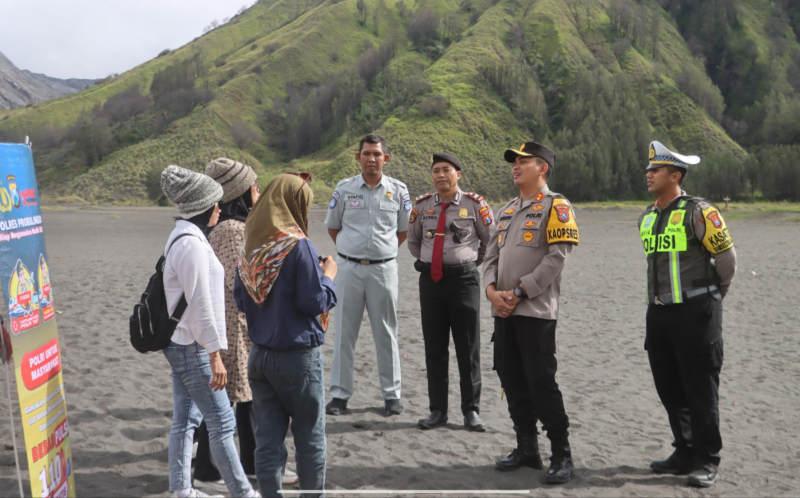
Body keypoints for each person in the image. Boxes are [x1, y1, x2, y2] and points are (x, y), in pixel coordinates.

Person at [195, 158, 299, 486]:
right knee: (230, 398)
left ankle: (234, 464)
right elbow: (244, 279)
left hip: (232, 324)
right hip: (231, 326)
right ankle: (211, 468)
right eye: (253, 186)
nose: (258, 190)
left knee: (239, 398)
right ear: (239, 193)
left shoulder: (228, 228)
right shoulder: (232, 230)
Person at [639, 141, 736, 488]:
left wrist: (713, 298)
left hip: (697, 312)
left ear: (675, 175)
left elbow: (726, 259)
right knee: (670, 387)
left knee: (700, 390)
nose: (648, 174)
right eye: (648, 169)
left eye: (656, 170)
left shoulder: (700, 211)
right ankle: (684, 450)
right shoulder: (647, 216)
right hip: (660, 313)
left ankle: (707, 459)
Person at [160, 165, 259, 498]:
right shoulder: (191, 245)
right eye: (214, 203)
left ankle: (181, 489)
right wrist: (216, 356)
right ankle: (243, 492)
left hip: (184, 342)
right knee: (222, 422)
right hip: (194, 347)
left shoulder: (187, 237)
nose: (220, 207)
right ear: (202, 206)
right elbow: (201, 303)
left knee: (186, 420)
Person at [235, 173, 337, 498]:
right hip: (297, 358)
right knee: (309, 439)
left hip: (259, 356)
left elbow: (241, 299)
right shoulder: (298, 246)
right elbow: (314, 302)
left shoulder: (251, 246)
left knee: (267, 441)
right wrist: (329, 277)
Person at [483, 141, 578, 484]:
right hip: (504, 312)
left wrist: (520, 291)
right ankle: (527, 448)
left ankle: (561, 453)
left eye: (524, 161)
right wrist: (493, 292)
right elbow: (490, 258)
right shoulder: (507, 210)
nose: (516, 166)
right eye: (514, 162)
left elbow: (557, 258)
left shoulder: (557, 206)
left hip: (535, 312)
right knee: (511, 378)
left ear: (543, 168)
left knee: (541, 383)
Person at [324, 134, 411, 417]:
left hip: (383, 269)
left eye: (377, 154)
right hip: (349, 269)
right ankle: (339, 395)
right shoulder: (344, 189)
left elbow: (402, 231)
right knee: (344, 333)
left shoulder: (398, 191)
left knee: (386, 332)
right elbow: (333, 227)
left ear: (386, 158)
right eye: (366, 154)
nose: (372, 159)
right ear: (357, 157)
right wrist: (354, 251)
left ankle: (391, 395)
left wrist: (378, 253)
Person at [407, 152, 493, 432]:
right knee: (434, 347)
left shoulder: (475, 205)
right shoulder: (422, 207)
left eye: (446, 170)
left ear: (459, 174)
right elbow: (414, 241)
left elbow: (489, 241)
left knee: (467, 347)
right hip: (431, 282)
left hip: (464, 281)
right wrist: (434, 261)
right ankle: (437, 411)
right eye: (436, 171)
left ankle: (471, 410)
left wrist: (468, 263)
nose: (441, 176)